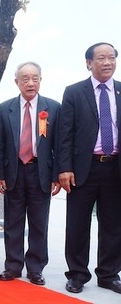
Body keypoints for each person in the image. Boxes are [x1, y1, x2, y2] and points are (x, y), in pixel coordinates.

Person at [58, 42, 121, 295]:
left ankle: (108, 274)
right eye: (101, 58)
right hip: (83, 169)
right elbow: (65, 133)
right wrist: (64, 168)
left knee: (114, 225)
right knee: (77, 225)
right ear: (88, 63)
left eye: (112, 58)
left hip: (115, 168)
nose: (108, 62)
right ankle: (77, 274)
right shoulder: (74, 92)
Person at [0, 62, 61, 286]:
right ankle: (13, 266)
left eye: (34, 78)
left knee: (39, 222)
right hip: (13, 171)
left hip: (40, 172)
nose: (30, 83)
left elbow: (59, 145)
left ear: (41, 80)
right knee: (12, 221)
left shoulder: (52, 107)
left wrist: (56, 175)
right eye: (25, 79)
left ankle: (35, 268)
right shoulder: (5, 108)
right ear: (17, 82)